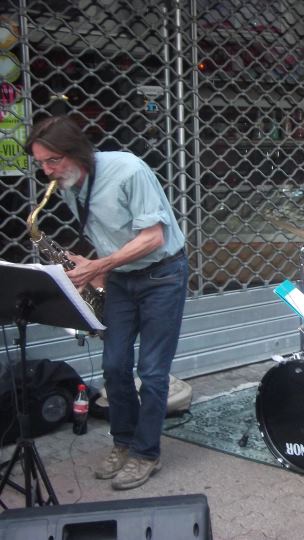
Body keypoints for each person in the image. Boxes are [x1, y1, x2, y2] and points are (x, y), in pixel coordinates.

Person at [25, 116, 189, 490]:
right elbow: (108, 237)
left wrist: (101, 265)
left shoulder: (128, 170)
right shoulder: (68, 186)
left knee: (151, 371)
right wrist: (87, 268)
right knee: (114, 366)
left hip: (162, 275)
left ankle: (147, 453)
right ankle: (124, 443)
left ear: (75, 152)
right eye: (41, 164)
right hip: (120, 277)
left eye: (53, 161)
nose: (48, 171)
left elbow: (152, 238)